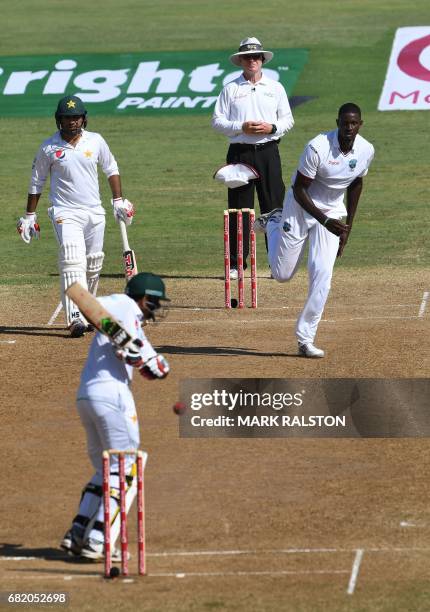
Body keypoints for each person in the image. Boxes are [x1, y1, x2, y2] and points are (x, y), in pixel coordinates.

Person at [60, 272, 170, 561]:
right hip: (112, 398)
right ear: (144, 298)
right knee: (127, 467)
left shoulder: (135, 329)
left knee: (105, 471)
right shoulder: (123, 304)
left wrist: (137, 355)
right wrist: (120, 337)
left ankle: (77, 533)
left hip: (87, 396)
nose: (156, 308)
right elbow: (86, 302)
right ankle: (99, 540)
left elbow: (157, 370)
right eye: (155, 302)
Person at [254, 103, 374, 358]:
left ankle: (305, 339)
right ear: (337, 122)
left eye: (354, 123)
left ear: (360, 125)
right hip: (300, 207)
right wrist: (324, 221)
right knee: (282, 275)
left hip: (332, 213)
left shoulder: (366, 150)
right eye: (345, 123)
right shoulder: (317, 147)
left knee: (323, 274)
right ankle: (274, 221)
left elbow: (356, 185)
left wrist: (347, 228)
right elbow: (299, 190)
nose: (349, 128)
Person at [17, 94, 135, 338]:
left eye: (76, 117)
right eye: (67, 117)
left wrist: (118, 200)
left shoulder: (96, 141)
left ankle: (87, 309)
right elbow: (36, 181)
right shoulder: (48, 147)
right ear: (59, 120)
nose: (72, 121)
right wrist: (30, 214)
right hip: (64, 212)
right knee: (72, 260)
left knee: (93, 264)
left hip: (94, 212)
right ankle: (75, 317)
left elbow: (111, 168)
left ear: (84, 119)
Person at [212, 37, 294, 279]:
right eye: (247, 57)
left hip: (268, 151)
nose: (252, 61)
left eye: (256, 57)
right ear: (240, 61)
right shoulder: (231, 88)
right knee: (239, 208)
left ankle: (276, 263)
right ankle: (238, 264)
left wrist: (271, 128)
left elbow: (288, 120)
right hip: (240, 153)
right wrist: (241, 127)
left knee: (274, 208)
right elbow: (217, 122)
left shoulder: (275, 88)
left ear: (262, 60)